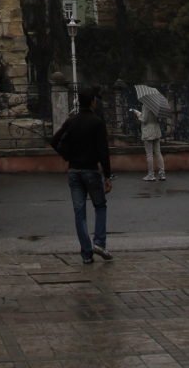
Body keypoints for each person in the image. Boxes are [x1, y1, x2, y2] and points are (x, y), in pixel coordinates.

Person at [51, 86, 113, 265]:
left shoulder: (71, 121)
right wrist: (107, 176)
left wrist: (67, 155)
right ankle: (99, 242)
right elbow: (103, 151)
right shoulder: (97, 122)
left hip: (74, 170)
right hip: (91, 170)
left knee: (79, 212)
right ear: (93, 102)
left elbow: (54, 141)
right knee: (100, 206)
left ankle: (86, 253)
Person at [133, 99, 165, 181]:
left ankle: (151, 175)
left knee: (149, 154)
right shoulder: (157, 105)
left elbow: (144, 120)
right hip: (156, 129)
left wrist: (137, 114)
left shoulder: (147, 105)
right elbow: (159, 119)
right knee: (158, 153)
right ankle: (162, 174)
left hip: (148, 130)